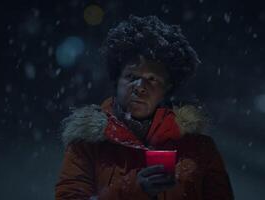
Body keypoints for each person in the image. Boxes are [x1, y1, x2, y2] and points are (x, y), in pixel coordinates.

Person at [55, 15, 234, 200]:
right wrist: (133, 190)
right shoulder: (87, 144)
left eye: (152, 79)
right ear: (116, 81)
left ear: (167, 89)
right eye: (131, 76)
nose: (140, 87)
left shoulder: (199, 148)